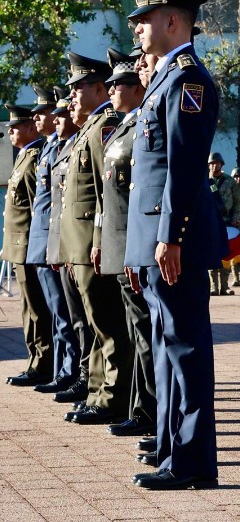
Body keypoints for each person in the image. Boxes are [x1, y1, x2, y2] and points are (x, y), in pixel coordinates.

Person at [126, 0, 225, 490]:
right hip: (156, 238)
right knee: (166, 349)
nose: (138, 27)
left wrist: (171, 237)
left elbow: (183, 169)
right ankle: (170, 450)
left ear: (171, 20)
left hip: (173, 240)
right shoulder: (165, 79)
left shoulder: (189, 80)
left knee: (185, 349)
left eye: (145, 18)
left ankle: (192, 464)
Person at [60, 51, 131, 425]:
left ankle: (112, 398)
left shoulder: (106, 124)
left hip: (94, 239)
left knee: (107, 323)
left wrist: (100, 239)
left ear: (99, 87)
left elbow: (107, 192)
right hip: (81, 242)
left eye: (78, 87)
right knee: (93, 323)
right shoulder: (90, 126)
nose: (72, 95)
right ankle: (97, 392)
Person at [100, 47, 157, 439]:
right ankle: (142, 408)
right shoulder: (124, 126)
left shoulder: (142, 127)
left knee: (146, 333)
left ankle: (150, 412)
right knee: (137, 331)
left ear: (137, 88)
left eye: (117, 83)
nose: (111, 90)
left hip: (137, 243)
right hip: (121, 242)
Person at [26, 85, 81, 396]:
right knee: (57, 313)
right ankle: (63, 370)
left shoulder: (66, 146)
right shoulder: (51, 148)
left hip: (58, 241)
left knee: (66, 315)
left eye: (55, 114)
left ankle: (69, 372)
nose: (56, 119)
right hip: (46, 241)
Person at [47, 91, 93, 408]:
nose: (54, 120)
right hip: (68, 244)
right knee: (74, 319)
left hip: (87, 245)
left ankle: (93, 383)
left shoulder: (93, 135)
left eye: (61, 113)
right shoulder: (67, 146)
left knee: (93, 322)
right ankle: (81, 376)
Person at [2, 105, 52, 388]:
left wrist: (39, 246)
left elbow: (38, 207)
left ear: (32, 129)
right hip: (18, 246)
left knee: (36, 309)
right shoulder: (23, 157)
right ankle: (35, 360)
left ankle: (43, 364)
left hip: (30, 246)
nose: (10, 132)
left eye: (16, 127)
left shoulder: (34, 158)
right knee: (27, 308)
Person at [208, 152, 239, 296]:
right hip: (209, 221)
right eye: (212, 163)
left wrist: (235, 218)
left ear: (222, 164)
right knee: (211, 254)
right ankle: (214, 286)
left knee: (226, 255)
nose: (215, 165)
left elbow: (237, 202)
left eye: (217, 163)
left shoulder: (230, 181)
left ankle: (225, 285)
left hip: (226, 221)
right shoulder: (205, 180)